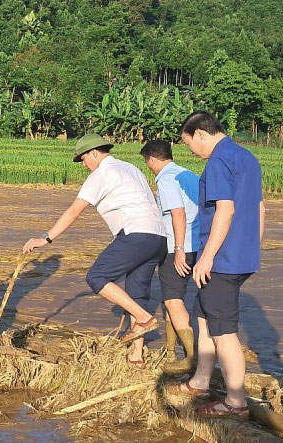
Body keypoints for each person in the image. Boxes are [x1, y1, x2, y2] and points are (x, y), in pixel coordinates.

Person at [23, 133, 167, 365]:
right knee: (137, 293)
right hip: (158, 237)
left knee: (97, 277)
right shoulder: (130, 168)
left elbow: (74, 210)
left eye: (83, 159)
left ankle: (144, 318)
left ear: (94, 153)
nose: (83, 165)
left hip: (135, 233)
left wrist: (46, 238)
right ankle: (137, 356)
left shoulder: (101, 173)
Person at [169, 111, 265, 421]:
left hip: (222, 258)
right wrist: (251, 247)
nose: (191, 152)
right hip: (240, 255)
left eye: (188, 144)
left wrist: (208, 256)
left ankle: (235, 402)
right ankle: (200, 382)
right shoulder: (247, 157)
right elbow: (260, 207)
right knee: (203, 314)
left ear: (200, 133)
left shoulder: (219, 160)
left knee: (223, 330)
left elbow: (225, 209)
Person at [141, 139, 199, 373]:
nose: (149, 168)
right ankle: (169, 347)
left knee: (173, 300)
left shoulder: (166, 179)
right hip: (199, 244)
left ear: (153, 160)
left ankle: (191, 358)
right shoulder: (190, 175)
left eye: (148, 164)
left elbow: (178, 213)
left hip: (179, 245)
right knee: (170, 296)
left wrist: (177, 250)